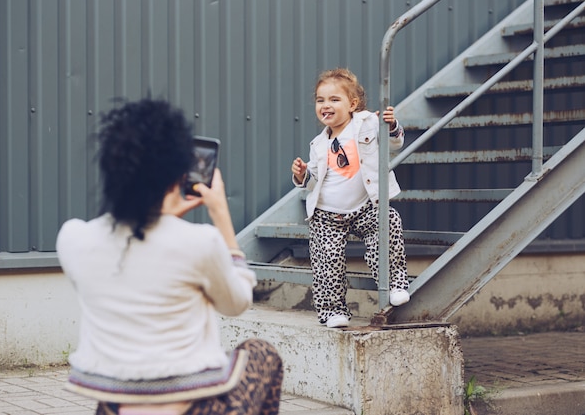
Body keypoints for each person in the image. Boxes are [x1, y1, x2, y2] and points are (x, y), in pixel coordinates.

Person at [56, 97, 283, 415]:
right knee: (262, 353)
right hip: (192, 407)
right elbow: (236, 303)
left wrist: (164, 214)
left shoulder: (72, 238)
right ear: (177, 174)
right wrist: (221, 217)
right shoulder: (199, 242)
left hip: (116, 405)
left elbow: (141, 259)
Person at [290, 68, 410, 329]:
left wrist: (391, 125)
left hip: (365, 207)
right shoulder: (318, 143)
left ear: (352, 104)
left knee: (388, 222)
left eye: (334, 100)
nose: (326, 105)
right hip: (326, 214)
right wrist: (302, 175)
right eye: (320, 100)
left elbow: (394, 144)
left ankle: (395, 281)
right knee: (327, 261)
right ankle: (332, 310)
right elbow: (314, 183)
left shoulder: (366, 123)